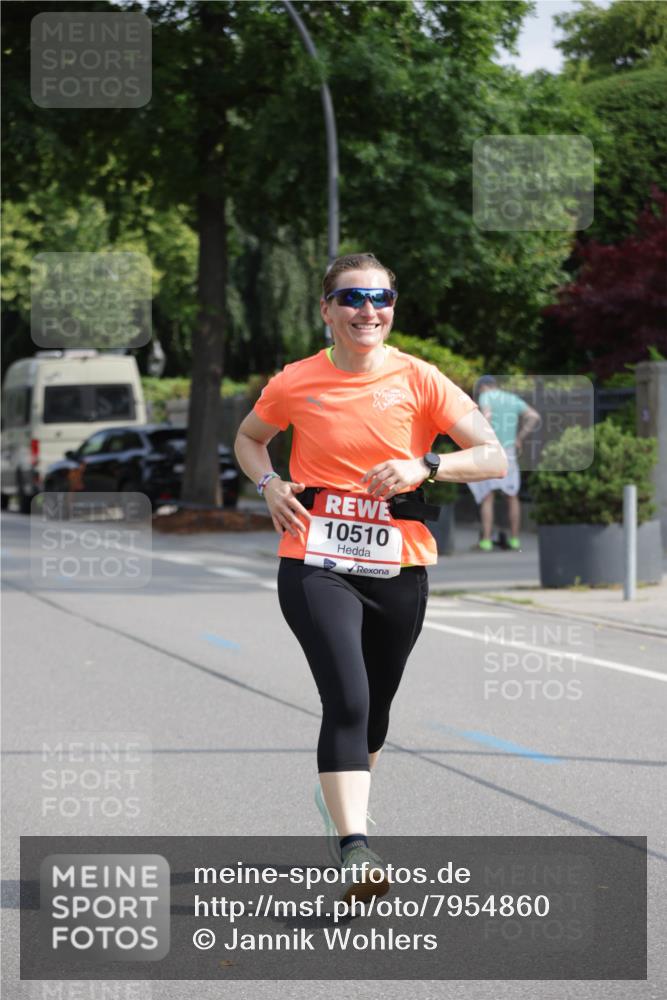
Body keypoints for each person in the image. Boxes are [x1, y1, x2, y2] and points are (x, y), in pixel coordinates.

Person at [234, 252, 507, 904]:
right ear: (326, 309)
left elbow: (493, 456)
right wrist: (268, 483)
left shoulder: (420, 379)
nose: (367, 310)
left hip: (398, 565)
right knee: (348, 700)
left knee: (375, 711)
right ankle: (355, 846)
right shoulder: (296, 381)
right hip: (315, 560)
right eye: (351, 298)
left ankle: (341, 803)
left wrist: (427, 466)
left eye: (379, 298)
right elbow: (249, 438)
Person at [467, 375, 541, 551]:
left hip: (490, 450)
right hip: (509, 451)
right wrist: (519, 438)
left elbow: (487, 415)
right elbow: (534, 416)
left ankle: (485, 540)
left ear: (484, 387)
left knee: (488, 496)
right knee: (512, 494)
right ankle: (515, 539)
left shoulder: (486, 396)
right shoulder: (512, 398)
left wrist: (483, 437)